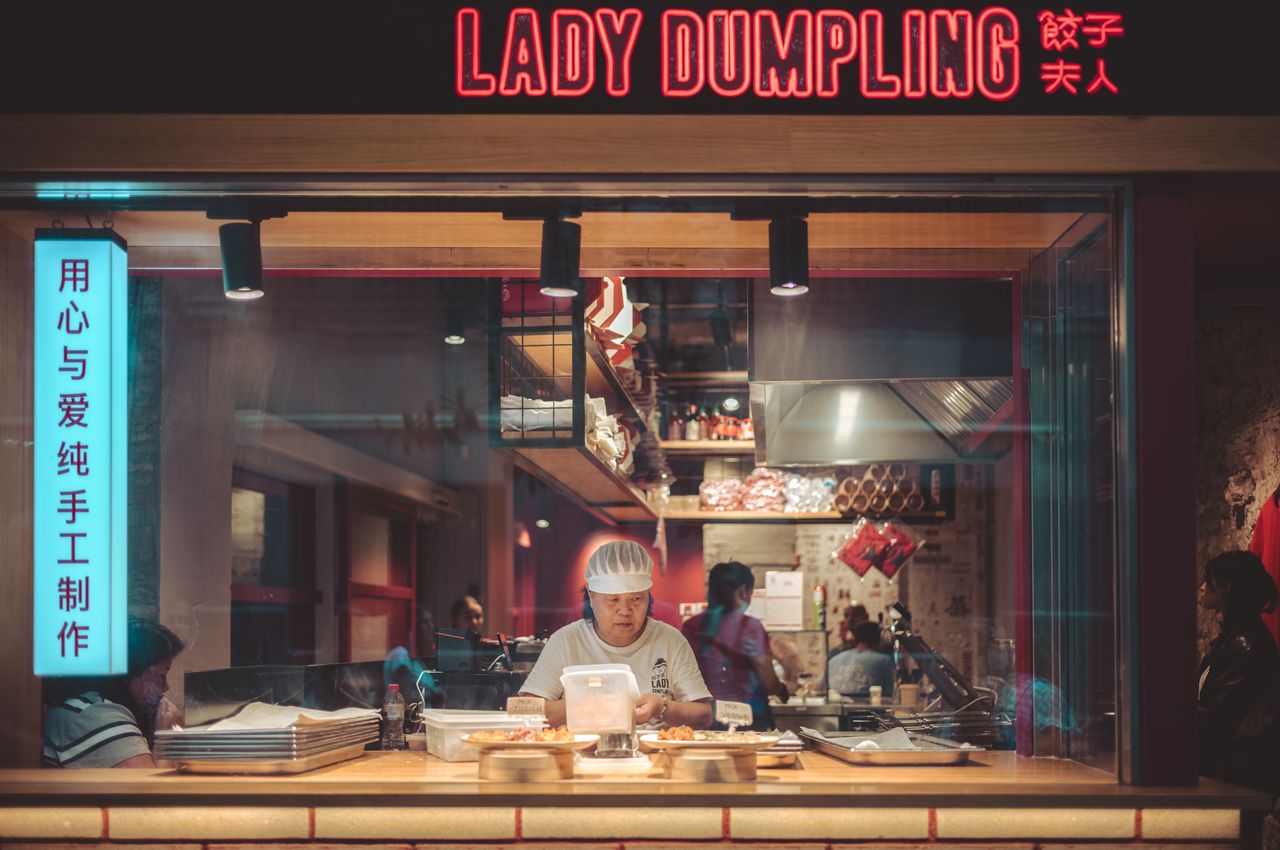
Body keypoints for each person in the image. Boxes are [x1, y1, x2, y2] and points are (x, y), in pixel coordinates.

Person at [520, 540, 712, 729]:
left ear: (648, 595)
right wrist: (585, 704)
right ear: (591, 595)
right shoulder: (566, 641)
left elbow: (704, 715)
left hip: (657, 755)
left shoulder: (670, 640)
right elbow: (526, 711)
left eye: (636, 599)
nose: (625, 610)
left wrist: (662, 707)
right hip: (581, 755)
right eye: (613, 600)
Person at [42, 620, 185, 768]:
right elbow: (154, 789)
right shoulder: (97, 716)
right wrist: (167, 737)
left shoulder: (85, 704)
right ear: (129, 673)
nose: (165, 687)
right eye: (161, 675)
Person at [1197, 550, 1280, 793]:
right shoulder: (1235, 637)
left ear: (1226, 588)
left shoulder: (1245, 644)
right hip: (1229, 774)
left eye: (1208, 581)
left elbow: (1216, 713)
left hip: (1236, 778)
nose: (1202, 587)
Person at [681, 562, 785, 730]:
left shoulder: (692, 626)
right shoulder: (751, 627)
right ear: (743, 592)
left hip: (705, 717)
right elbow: (768, 679)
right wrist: (782, 688)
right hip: (748, 717)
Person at [826, 621, 896, 699]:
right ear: (879, 639)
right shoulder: (883, 660)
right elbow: (890, 695)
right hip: (870, 710)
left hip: (835, 709)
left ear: (855, 639)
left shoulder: (834, 660)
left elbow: (817, 687)